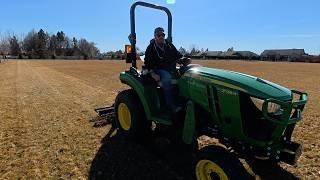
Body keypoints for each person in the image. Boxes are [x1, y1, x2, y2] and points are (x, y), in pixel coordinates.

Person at [144, 27, 191, 113]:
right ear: (155, 36)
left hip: (170, 68)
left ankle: (185, 100)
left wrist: (184, 59)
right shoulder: (150, 48)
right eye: (159, 35)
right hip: (158, 69)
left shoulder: (169, 45)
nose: (161, 36)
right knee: (166, 77)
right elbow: (147, 63)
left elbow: (177, 55)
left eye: (163, 35)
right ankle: (170, 105)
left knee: (188, 71)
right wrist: (153, 74)